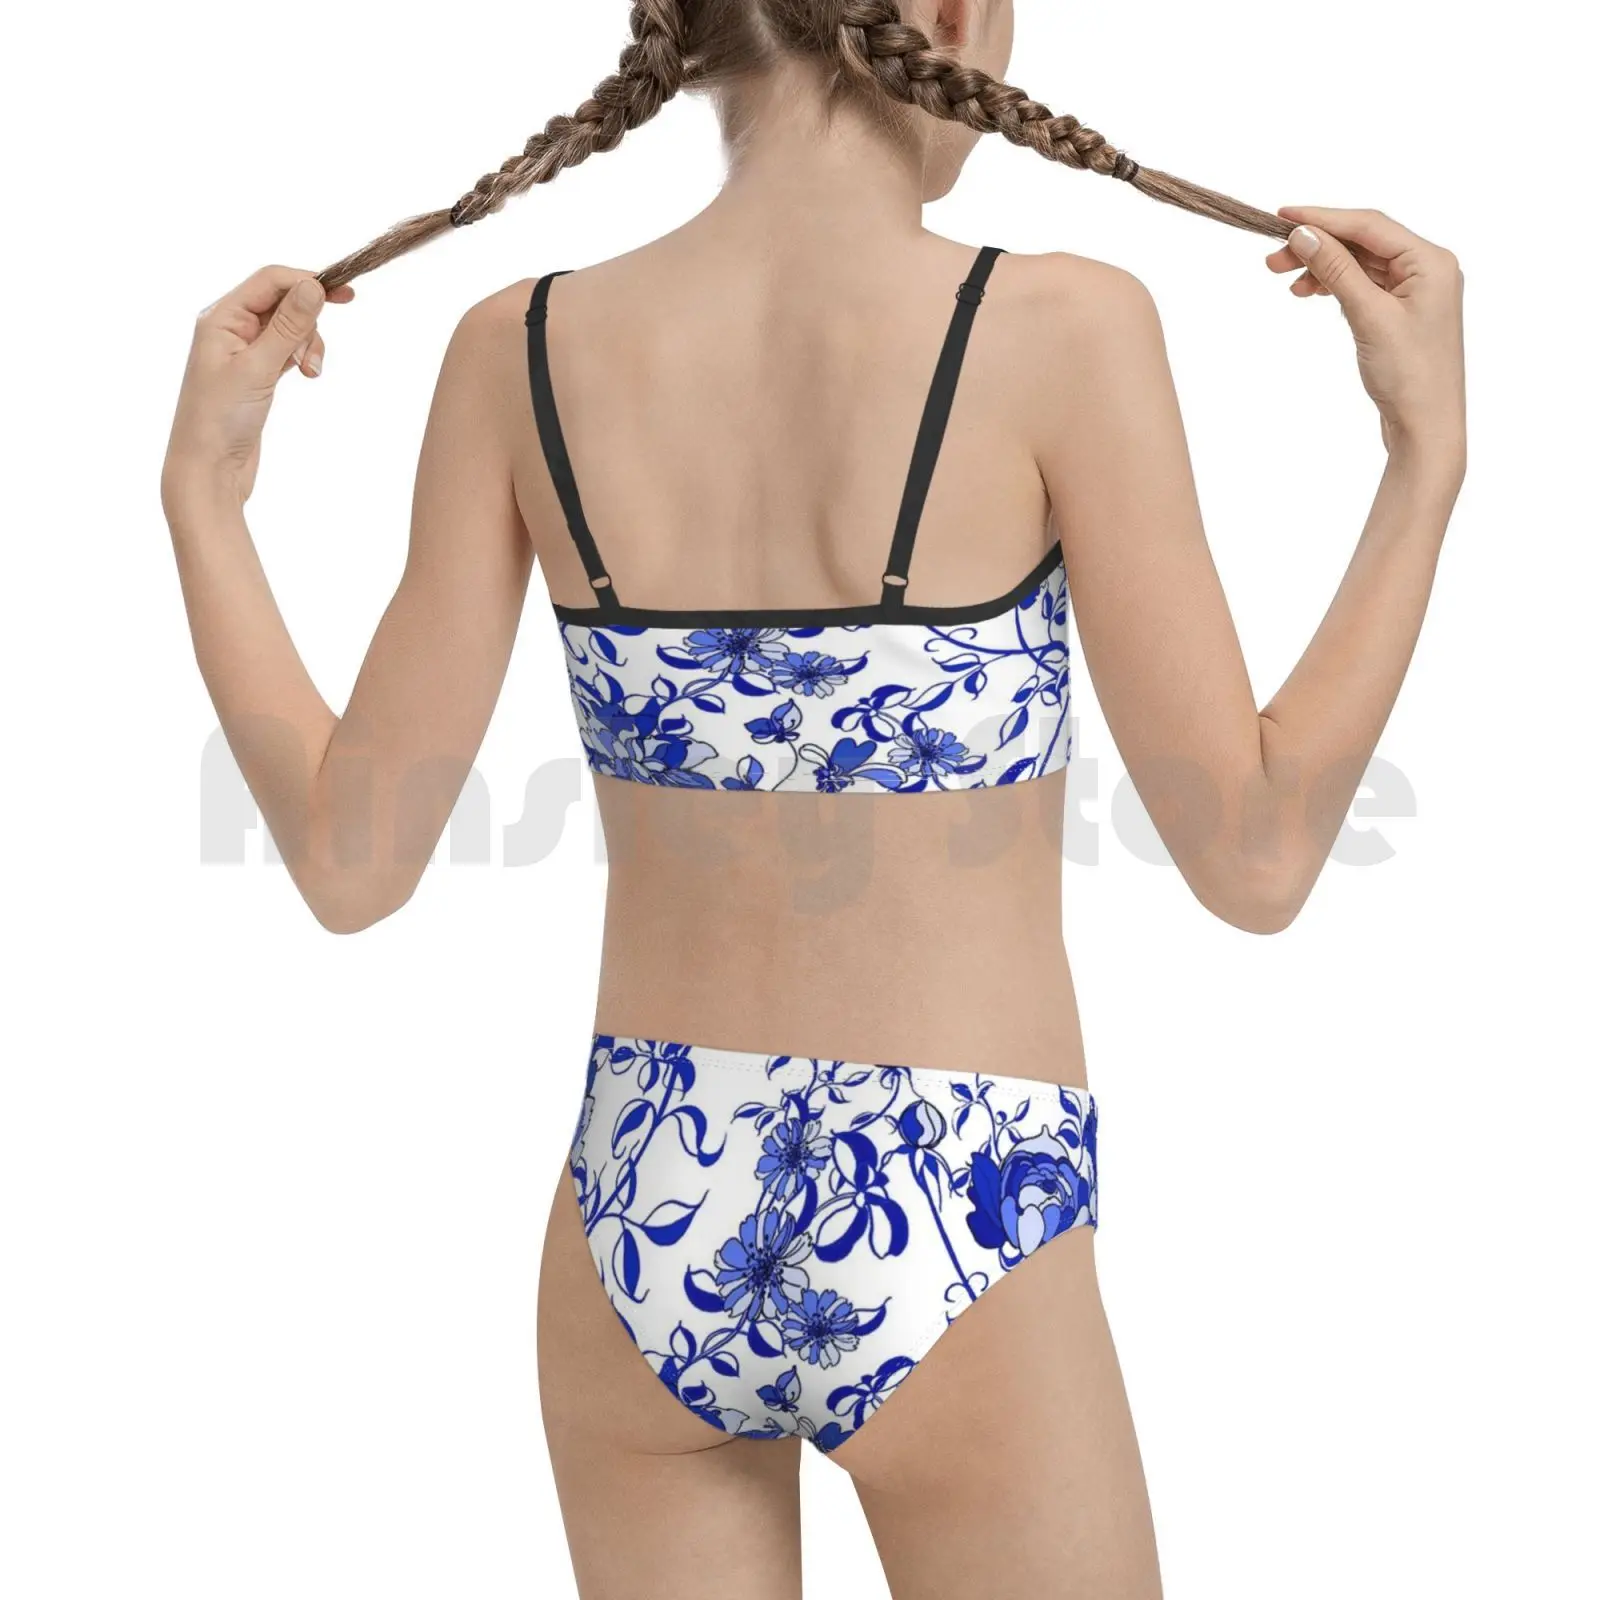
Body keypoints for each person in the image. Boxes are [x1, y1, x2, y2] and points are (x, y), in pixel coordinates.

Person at [159, 3, 1465, 1595]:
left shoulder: (518, 348)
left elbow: (349, 862)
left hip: (640, 1204)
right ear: (949, 16)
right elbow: (1254, 858)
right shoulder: (1059, 327)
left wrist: (204, 498)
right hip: (957, 1202)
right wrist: (1424, 461)